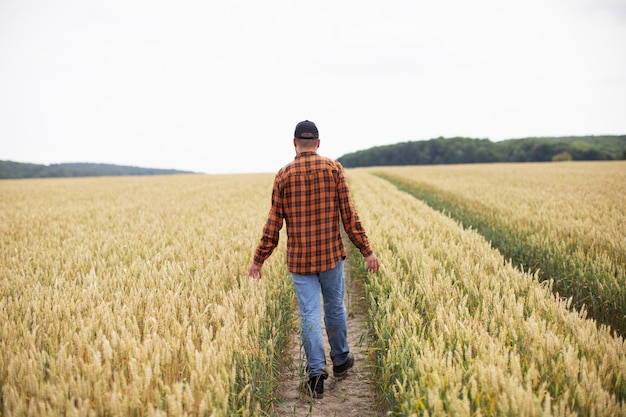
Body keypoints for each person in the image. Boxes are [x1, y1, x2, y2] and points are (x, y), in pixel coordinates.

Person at [248, 120, 380, 399]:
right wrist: (366, 250)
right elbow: (349, 215)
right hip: (331, 255)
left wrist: (259, 259)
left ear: (294, 143)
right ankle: (341, 360)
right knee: (334, 308)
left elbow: (274, 223)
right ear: (318, 143)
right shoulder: (333, 169)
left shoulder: (283, 175)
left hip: (300, 261)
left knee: (309, 314)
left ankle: (316, 373)